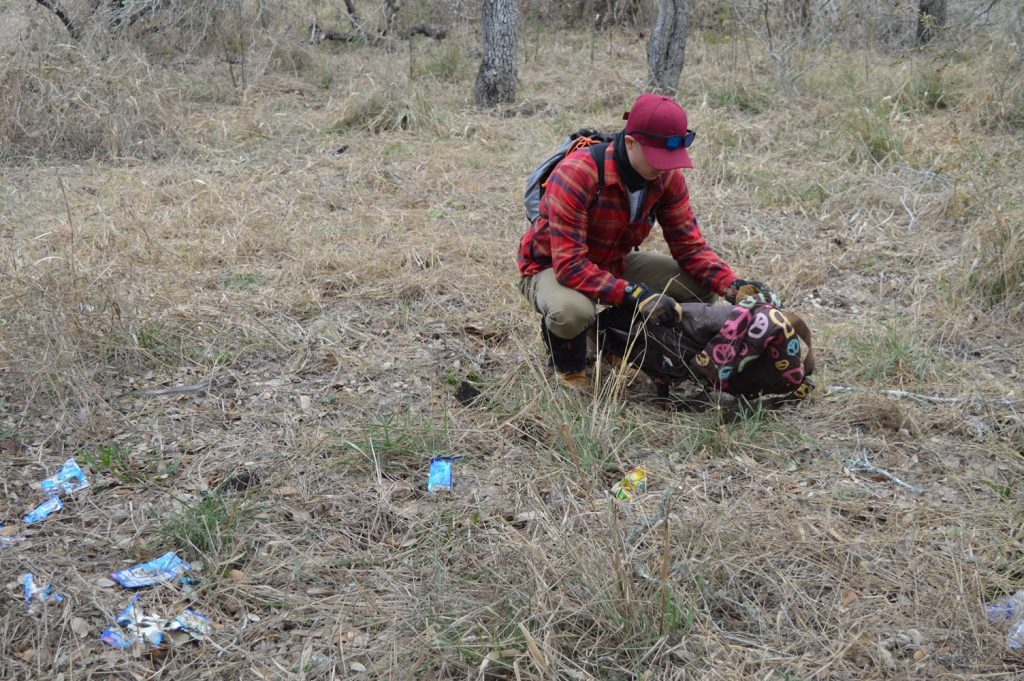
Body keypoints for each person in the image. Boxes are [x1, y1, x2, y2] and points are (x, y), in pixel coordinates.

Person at [517, 92, 778, 388]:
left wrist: (733, 286)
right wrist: (634, 294)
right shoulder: (577, 174)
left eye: (672, 159)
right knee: (573, 311)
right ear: (630, 143)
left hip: (611, 262)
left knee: (700, 288)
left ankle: (607, 333)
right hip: (551, 267)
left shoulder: (667, 178)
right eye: (658, 158)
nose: (665, 167)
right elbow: (570, 265)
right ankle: (568, 361)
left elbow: (690, 247)